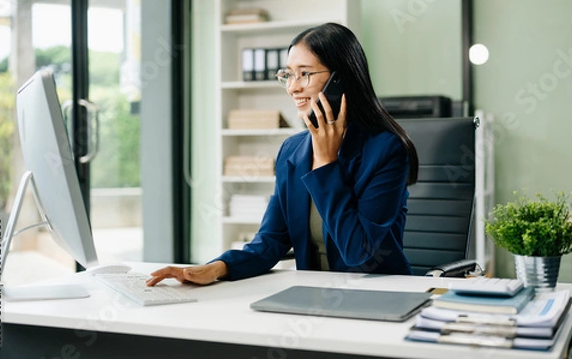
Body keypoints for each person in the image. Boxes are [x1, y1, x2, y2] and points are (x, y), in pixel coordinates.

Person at [146, 22, 419, 287]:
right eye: (288, 75)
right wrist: (215, 268)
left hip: (381, 294)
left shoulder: (386, 150)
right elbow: (272, 240)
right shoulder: (293, 151)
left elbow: (358, 250)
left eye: (304, 74)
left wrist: (326, 162)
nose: (293, 87)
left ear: (339, 80)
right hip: (317, 297)